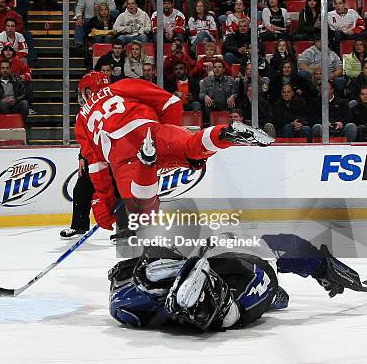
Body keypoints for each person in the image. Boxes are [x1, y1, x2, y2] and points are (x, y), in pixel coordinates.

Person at [75, 71, 272, 229]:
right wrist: (165, 133)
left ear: (86, 92)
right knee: (192, 147)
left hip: (121, 154)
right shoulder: (121, 86)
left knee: (142, 211)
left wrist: (103, 198)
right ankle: (226, 134)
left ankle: (146, 162)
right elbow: (171, 102)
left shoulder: (81, 119)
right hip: (150, 130)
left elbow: (97, 165)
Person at [108, 234, 367, 331]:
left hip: (235, 276)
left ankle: (322, 268)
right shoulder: (252, 276)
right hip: (239, 283)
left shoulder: (129, 298)